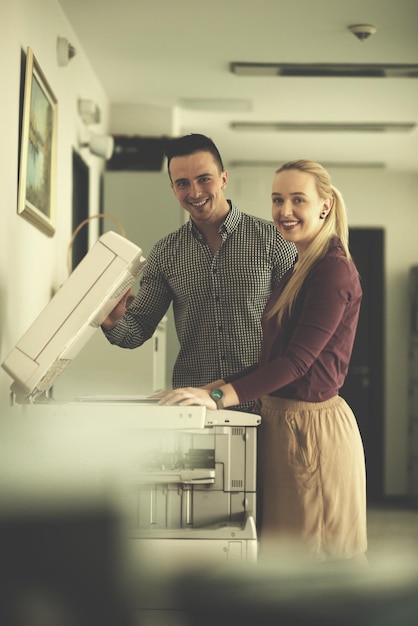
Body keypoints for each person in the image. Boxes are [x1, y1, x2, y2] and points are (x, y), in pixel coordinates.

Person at [156, 159, 367, 564]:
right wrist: (201, 391)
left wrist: (218, 397)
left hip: (312, 431)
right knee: (282, 563)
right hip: (284, 424)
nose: (284, 211)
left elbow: (297, 363)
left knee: (314, 566)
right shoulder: (301, 265)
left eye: (297, 200)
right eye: (277, 200)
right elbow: (269, 358)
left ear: (324, 206)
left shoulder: (332, 271)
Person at [101, 134, 296, 410]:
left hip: (266, 405)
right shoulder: (165, 253)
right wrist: (112, 320)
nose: (194, 192)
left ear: (224, 179)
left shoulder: (274, 240)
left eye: (204, 179)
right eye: (183, 183)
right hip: (195, 411)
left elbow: (297, 333)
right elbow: (136, 331)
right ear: (173, 189)